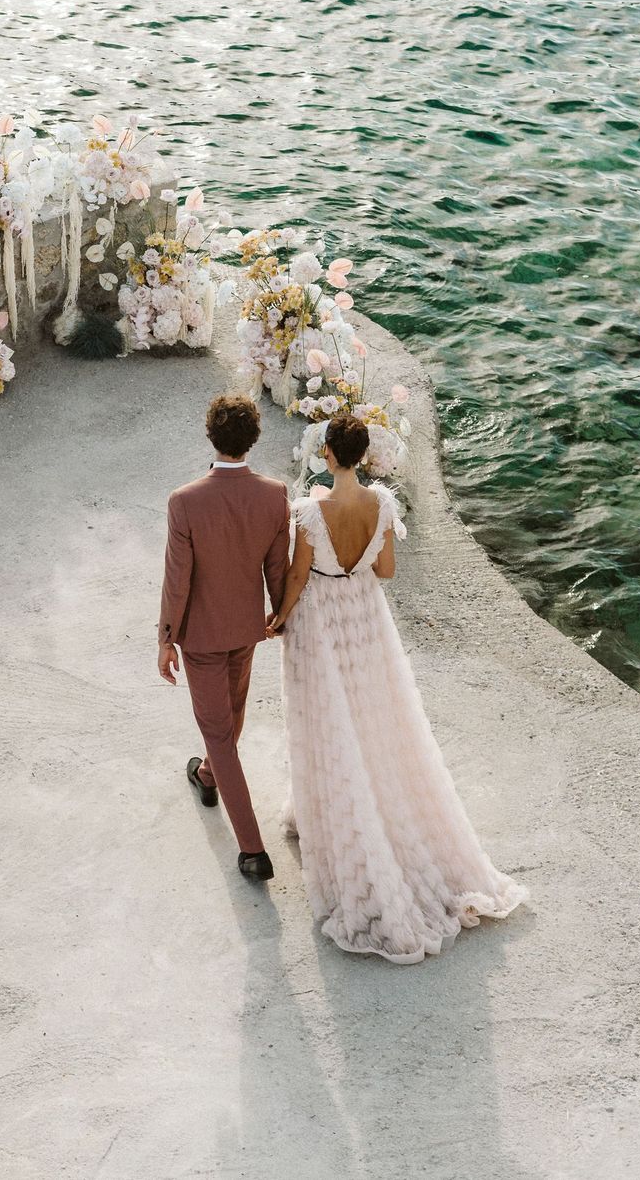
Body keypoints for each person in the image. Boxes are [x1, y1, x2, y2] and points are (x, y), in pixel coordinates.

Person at [268, 413, 527, 961]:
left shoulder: (311, 511)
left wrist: (278, 618)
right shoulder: (382, 504)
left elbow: (297, 576)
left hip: (323, 624)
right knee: (374, 717)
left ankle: (328, 813)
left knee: (326, 718)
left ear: (329, 455)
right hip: (366, 620)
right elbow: (385, 570)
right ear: (361, 455)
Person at [159, 392, 290, 880]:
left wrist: (165, 639)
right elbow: (277, 569)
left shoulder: (185, 501)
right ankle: (208, 777)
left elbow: (178, 579)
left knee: (219, 730)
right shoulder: (275, 494)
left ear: (210, 436)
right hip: (247, 630)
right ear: (253, 439)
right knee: (230, 718)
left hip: (201, 638)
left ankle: (253, 850)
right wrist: (281, 614)